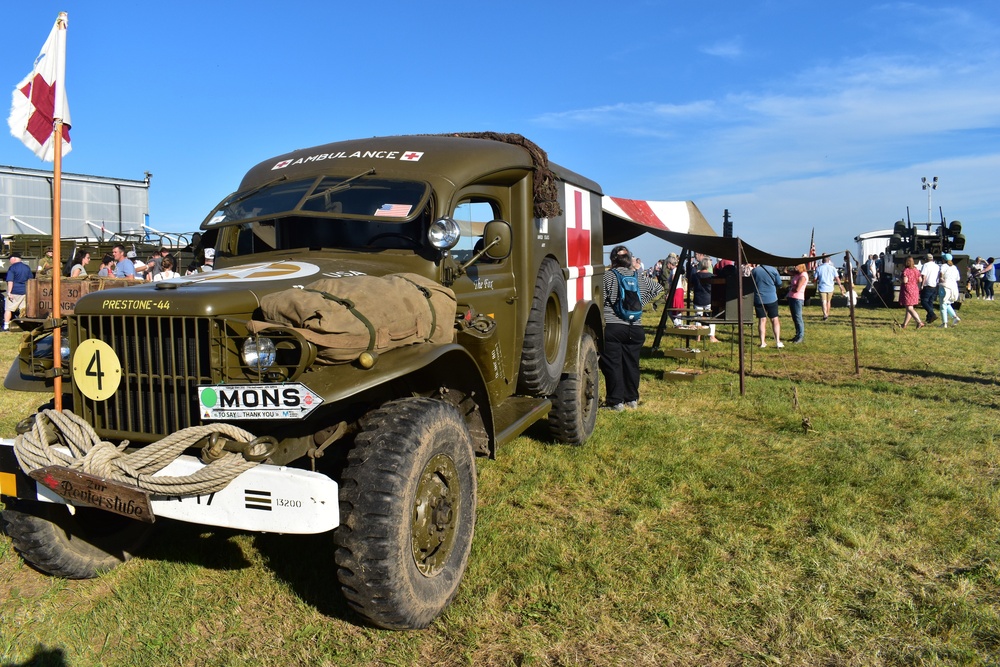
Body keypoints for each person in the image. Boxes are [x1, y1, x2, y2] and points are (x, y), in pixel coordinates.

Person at [600, 245, 662, 411]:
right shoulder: (638, 276)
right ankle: (631, 399)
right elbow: (659, 288)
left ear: (613, 259)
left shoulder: (608, 276)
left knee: (613, 364)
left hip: (614, 326)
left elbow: (600, 298)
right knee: (632, 364)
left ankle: (615, 401)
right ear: (629, 259)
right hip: (636, 327)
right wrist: (640, 303)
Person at [751, 263, 783, 348]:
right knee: (774, 319)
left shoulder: (754, 271)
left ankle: (762, 342)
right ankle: (778, 341)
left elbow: (751, 283)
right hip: (772, 298)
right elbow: (779, 283)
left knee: (762, 320)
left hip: (759, 298)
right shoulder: (773, 270)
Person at [691, 257, 719, 343]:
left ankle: (698, 336)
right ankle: (711, 336)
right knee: (711, 318)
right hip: (709, 298)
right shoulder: (712, 276)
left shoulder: (695, 276)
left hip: (698, 298)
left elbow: (691, 286)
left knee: (698, 317)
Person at [4, 252, 32, 332]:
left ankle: (6, 325)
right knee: (23, 310)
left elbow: (10, 281)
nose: (9, 262)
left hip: (14, 292)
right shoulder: (27, 267)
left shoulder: (12, 268)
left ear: (13, 259)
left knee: (8, 309)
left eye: (10, 260)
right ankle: (23, 324)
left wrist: (9, 292)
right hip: (25, 291)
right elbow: (30, 280)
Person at [899, 256, 924, 329]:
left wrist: (899, 278)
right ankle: (904, 324)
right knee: (909, 307)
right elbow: (920, 280)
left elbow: (905, 281)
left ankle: (919, 322)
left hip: (907, 289)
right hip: (915, 289)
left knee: (909, 308)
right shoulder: (916, 270)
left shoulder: (906, 270)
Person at [787, 263, 809, 343]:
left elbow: (797, 289)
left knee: (798, 317)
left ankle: (800, 336)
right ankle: (797, 335)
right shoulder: (797, 274)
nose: (794, 267)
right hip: (792, 297)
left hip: (797, 298)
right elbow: (787, 272)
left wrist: (790, 288)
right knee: (794, 317)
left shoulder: (803, 275)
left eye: (796, 266)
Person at [938, 253, 961, 328]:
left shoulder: (944, 266)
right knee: (947, 303)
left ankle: (944, 323)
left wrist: (941, 278)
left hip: (945, 286)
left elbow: (941, 273)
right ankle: (955, 317)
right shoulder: (954, 268)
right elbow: (958, 278)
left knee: (943, 305)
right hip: (953, 287)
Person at [918, 253, 939, 324]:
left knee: (924, 301)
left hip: (927, 285)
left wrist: (922, 285)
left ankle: (932, 314)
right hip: (934, 285)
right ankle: (929, 318)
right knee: (930, 302)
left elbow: (924, 276)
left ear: (926, 259)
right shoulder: (937, 266)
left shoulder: (926, 265)